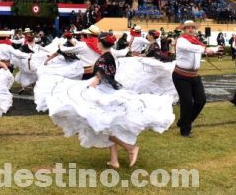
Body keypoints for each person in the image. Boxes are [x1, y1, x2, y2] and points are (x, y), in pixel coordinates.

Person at [34, 32, 174, 168]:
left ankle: (130, 148)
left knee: (99, 126)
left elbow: (100, 74)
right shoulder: (110, 55)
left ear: (100, 43)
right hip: (108, 90)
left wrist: (92, 87)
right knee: (106, 124)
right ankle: (114, 160)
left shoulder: (104, 58)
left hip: (103, 93)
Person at [172, 20, 219, 137]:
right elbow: (191, 48)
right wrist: (207, 49)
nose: (191, 29)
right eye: (188, 28)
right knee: (187, 102)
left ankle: (183, 122)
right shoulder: (182, 40)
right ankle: (185, 130)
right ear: (184, 30)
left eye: (193, 27)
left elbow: (197, 48)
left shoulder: (196, 41)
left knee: (201, 100)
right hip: (181, 76)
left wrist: (213, 49)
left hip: (194, 75)